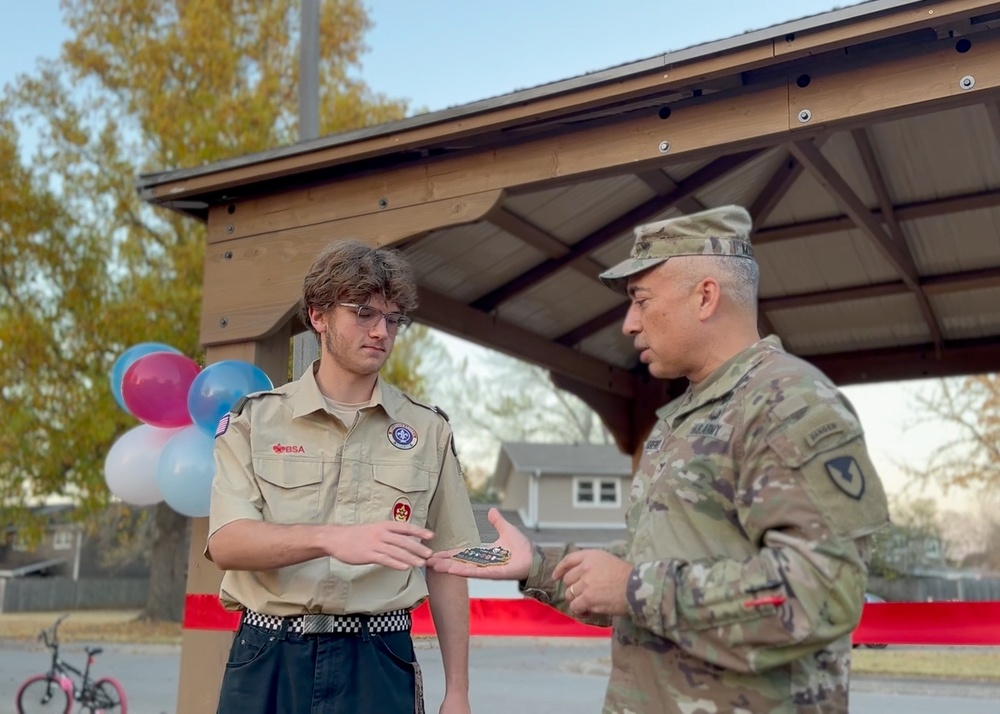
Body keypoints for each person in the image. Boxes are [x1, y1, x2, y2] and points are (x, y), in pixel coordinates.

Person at [429, 205, 890, 713]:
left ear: (706, 296)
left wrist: (632, 589)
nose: (629, 324)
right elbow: (653, 567)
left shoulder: (789, 404)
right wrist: (536, 565)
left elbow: (822, 592)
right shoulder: (686, 417)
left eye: (641, 300)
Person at [208, 240, 480, 714]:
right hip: (268, 653)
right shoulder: (255, 422)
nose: (381, 332)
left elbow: (449, 563)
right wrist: (333, 539)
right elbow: (228, 543)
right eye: (364, 313)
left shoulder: (427, 430)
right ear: (318, 315)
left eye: (393, 320)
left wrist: (458, 691)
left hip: (378, 655)